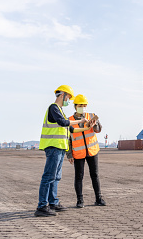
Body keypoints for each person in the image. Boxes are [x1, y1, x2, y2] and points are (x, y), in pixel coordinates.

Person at [35, 85, 90, 217]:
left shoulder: (60, 110)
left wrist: (86, 127)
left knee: (56, 177)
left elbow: (70, 129)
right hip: (53, 147)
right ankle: (42, 206)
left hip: (59, 148)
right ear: (62, 95)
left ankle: (53, 202)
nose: (69, 100)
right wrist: (79, 121)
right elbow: (63, 122)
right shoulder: (53, 108)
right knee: (49, 176)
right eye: (69, 97)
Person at [66, 94, 106, 208]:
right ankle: (80, 200)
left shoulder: (91, 115)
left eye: (84, 105)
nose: (82, 107)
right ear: (75, 106)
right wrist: (69, 154)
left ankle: (98, 198)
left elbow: (98, 130)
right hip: (78, 153)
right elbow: (68, 139)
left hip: (92, 151)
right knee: (79, 176)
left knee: (95, 175)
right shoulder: (69, 120)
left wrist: (94, 124)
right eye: (80, 105)